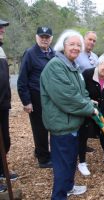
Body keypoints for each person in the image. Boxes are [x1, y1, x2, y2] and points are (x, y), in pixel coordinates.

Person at [40, 29, 98, 199]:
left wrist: (89, 101)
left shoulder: (73, 66)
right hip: (61, 124)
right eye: (71, 44)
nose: (75, 47)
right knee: (63, 164)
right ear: (63, 46)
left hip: (73, 122)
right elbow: (68, 97)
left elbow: (81, 92)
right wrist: (89, 108)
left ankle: (69, 187)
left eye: (78, 45)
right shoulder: (55, 67)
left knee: (71, 160)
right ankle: (59, 196)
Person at [77, 52, 104, 176]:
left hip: (101, 109)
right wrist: (88, 104)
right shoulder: (87, 74)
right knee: (83, 135)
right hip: (86, 109)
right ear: (99, 63)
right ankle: (81, 162)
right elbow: (80, 92)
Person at [17, 27, 55, 168]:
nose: (44, 39)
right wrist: (26, 101)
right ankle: (43, 159)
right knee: (39, 128)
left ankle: (41, 151)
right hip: (36, 96)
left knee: (49, 125)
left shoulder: (53, 54)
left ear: (51, 38)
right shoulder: (30, 53)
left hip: (50, 98)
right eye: (42, 36)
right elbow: (22, 80)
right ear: (36, 37)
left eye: (47, 37)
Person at [0, 19, 18, 193]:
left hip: (3, 105)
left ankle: (1, 169)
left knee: (5, 140)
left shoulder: (0, 48)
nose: (2, 30)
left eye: (3, 27)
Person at [76, 31, 98, 154]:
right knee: (79, 120)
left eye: (94, 41)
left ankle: (83, 144)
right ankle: (77, 146)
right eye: (90, 39)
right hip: (79, 92)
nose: (92, 42)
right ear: (84, 39)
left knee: (86, 121)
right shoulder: (77, 54)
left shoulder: (94, 57)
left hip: (91, 93)